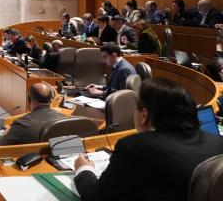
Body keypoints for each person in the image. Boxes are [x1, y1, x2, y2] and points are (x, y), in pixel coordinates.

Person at [73, 79, 223, 201]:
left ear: (144, 115)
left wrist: (84, 169)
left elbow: (95, 197)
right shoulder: (218, 142)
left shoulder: (134, 147)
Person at [0, 83, 65, 146]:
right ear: (51, 100)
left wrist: (5, 133)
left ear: (29, 100)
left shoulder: (21, 124)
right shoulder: (64, 119)